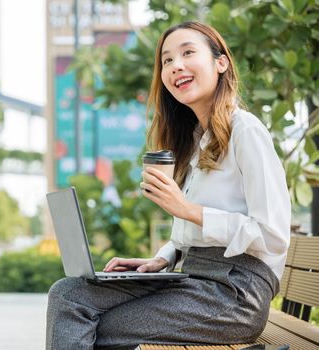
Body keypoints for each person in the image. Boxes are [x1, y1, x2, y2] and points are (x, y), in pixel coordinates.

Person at [46, 21, 290, 350]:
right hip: (194, 278)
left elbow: (272, 234)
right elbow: (193, 234)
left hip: (236, 293)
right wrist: (162, 259)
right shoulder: (193, 142)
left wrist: (189, 210)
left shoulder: (245, 130)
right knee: (69, 293)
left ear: (221, 63)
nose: (176, 65)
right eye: (167, 60)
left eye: (188, 52)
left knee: (94, 324)